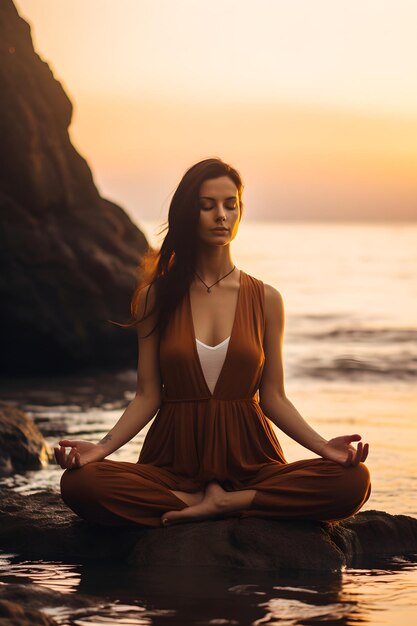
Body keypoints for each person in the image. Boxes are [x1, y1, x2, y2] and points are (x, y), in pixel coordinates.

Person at [56, 157, 371, 528]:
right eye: (207, 206)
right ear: (189, 213)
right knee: (80, 484)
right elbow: (147, 395)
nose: (220, 215)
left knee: (353, 481)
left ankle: (228, 501)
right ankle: (195, 499)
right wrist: (103, 449)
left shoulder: (266, 298)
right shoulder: (155, 297)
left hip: (251, 460)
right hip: (172, 462)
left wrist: (323, 449)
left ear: (240, 211)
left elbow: (274, 397)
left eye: (230, 204)